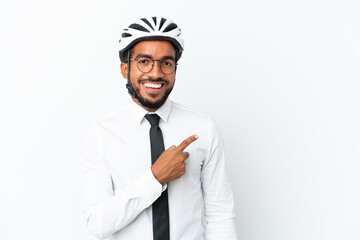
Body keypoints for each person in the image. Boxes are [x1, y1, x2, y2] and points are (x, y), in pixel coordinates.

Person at [81, 16, 237, 240]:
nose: (155, 73)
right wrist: (154, 178)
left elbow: (220, 215)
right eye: (144, 61)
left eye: (166, 63)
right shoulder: (101, 133)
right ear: (125, 69)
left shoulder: (204, 128)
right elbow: (97, 223)